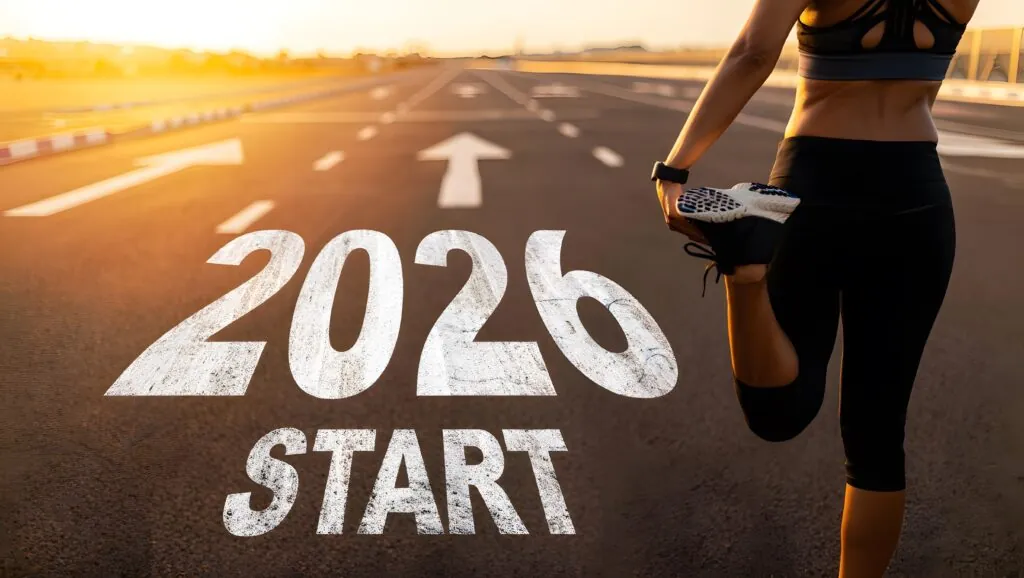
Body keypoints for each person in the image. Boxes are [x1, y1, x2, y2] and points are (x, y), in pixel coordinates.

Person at [649, 0, 980, 576]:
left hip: (815, 183)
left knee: (777, 414)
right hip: (916, 196)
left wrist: (675, 167)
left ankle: (744, 272)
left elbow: (752, 53)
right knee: (877, 435)